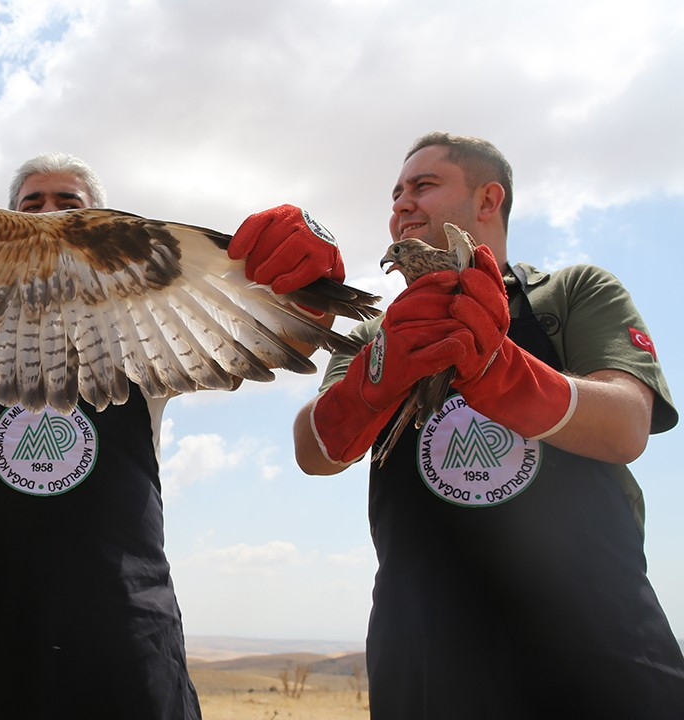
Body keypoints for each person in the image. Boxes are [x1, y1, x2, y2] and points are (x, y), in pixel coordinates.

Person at [0, 152, 347, 719]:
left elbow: (268, 329)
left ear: (102, 229)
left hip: (120, 641)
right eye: (31, 205)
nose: (49, 217)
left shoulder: (145, 336)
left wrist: (310, 275)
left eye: (70, 205)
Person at [292, 132, 684, 718]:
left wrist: (502, 370)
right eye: (396, 193)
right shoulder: (371, 334)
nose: (400, 203)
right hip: (423, 655)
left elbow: (627, 424)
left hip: (595, 641)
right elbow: (314, 451)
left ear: (488, 199)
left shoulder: (572, 293)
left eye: (423, 186)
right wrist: (379, 375)